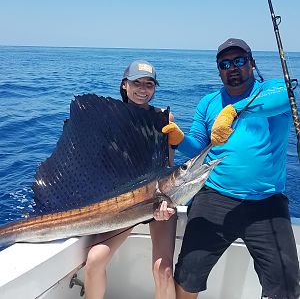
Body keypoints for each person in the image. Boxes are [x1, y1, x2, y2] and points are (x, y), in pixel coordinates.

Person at [162, 38, 300, 299]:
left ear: (252, 63)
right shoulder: (208, 103)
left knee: (286, 285)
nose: (232, 67)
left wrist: (234, 111)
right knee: (187, 275)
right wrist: (179, 140)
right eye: (225, 63)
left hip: (267, 202)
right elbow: (199, 149)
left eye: (239, 60)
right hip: (215, 196)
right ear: (219, 70)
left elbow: (290, 94)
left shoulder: (273, 91)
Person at [84, 60, 177, 299]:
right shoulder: (109, 118)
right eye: (137, 83)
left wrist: (165, 204)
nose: (143, 89)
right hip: (127, 203)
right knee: (94, 259)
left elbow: (168, 167)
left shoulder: (164, 118)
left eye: (149, 84)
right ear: (125, 85)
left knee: (164, 269)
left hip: (159, 200)